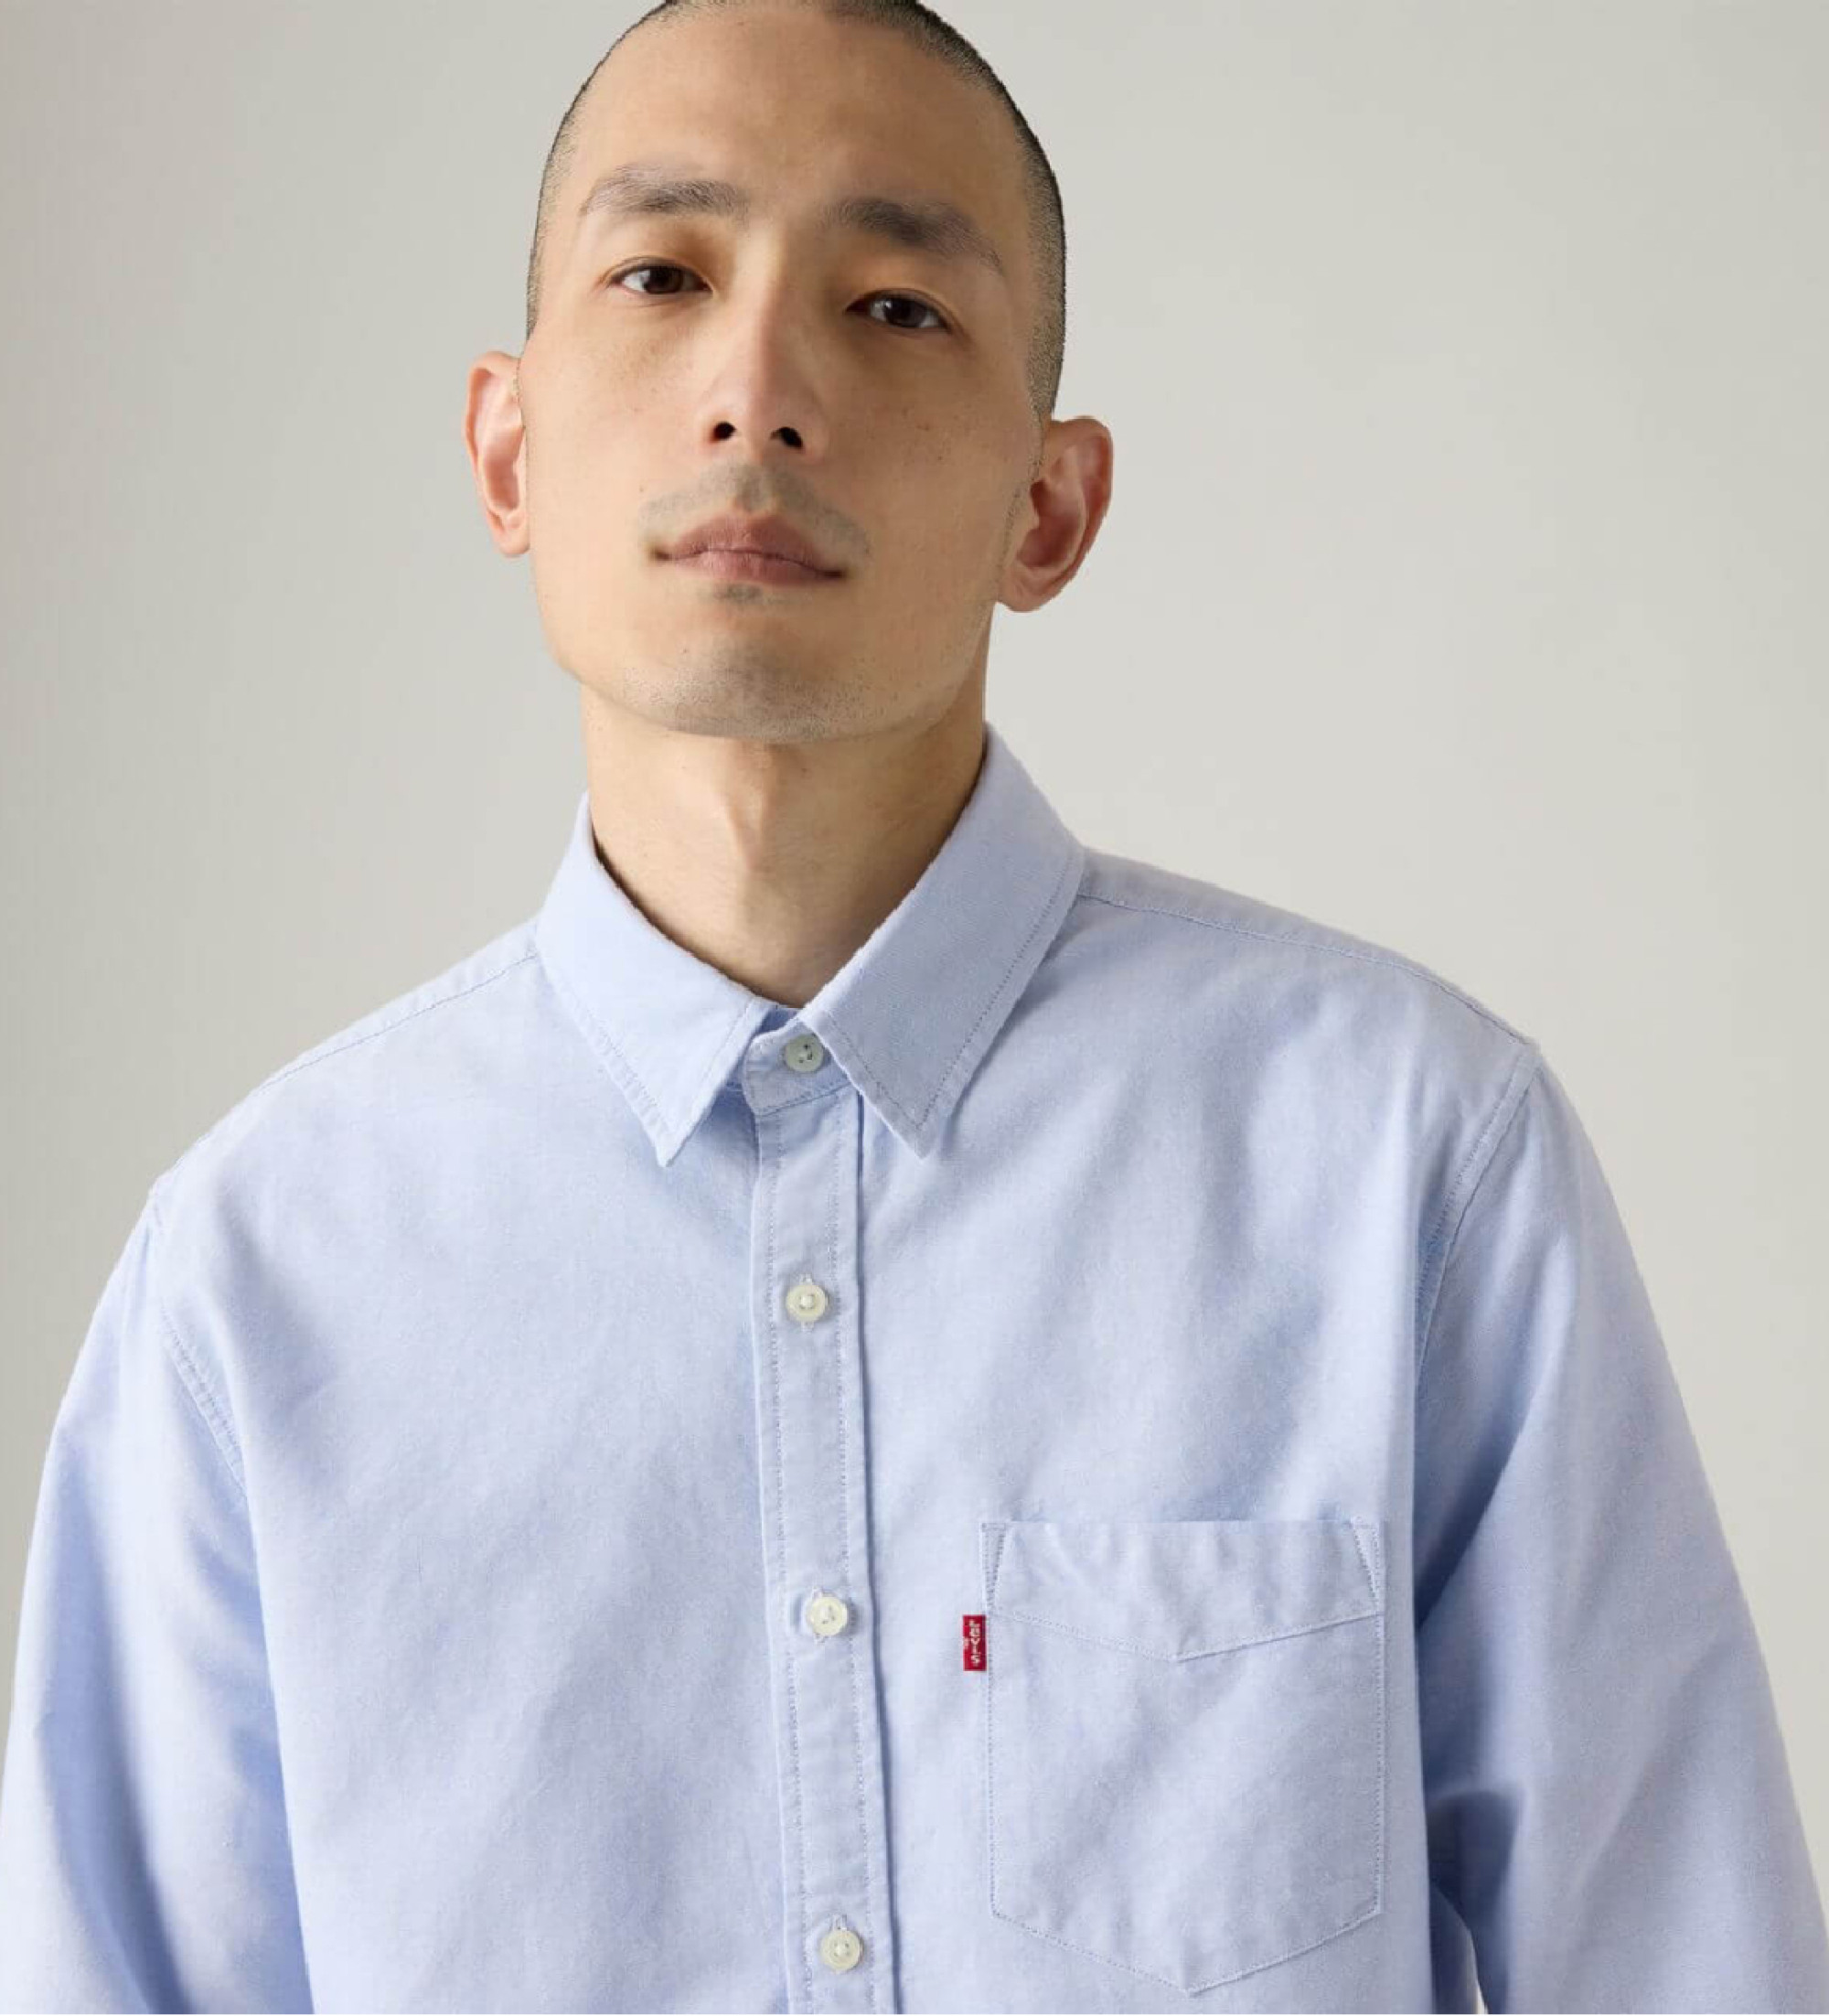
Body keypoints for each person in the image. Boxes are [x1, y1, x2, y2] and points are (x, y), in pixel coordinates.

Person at [2, 1, 1824, 2010]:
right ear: (505, 446)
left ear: (1053, 505)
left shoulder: (1409, 1165)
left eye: (891, 308)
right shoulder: (257, 1279)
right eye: (662, 274)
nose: (757, 392)